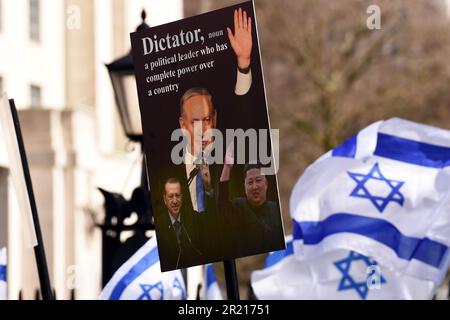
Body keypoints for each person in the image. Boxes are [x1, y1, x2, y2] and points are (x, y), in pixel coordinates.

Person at [218, 158, 285, 259]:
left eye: (258, 180)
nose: (254, 187)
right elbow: (222, 205)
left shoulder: (277, 209)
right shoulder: (239, 207)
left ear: (266, 184)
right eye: (250, 182)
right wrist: (227, 167)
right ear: (244, 187)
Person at [155, 178, 204, 271]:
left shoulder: (194, 218)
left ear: (182, 197)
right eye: (170, 196)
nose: (175, 201)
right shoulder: (159, 225)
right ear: (165, 199)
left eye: (177, 196)